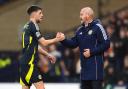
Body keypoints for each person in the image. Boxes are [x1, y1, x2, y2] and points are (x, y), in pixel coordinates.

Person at [57, 7, 110, 89]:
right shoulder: (80, 30)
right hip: (84, 72)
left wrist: (91, 52)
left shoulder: (98, 27)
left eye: (81, 14)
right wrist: (63, 40)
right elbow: (73, 44)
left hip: (95, 72)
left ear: (88, 15)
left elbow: (106, 44)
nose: (80, 17)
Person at [19, 5, 64, 89]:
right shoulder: (34, 25)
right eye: (40, 13)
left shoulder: (26, 26)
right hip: (30, 64)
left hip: (24, 64)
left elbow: (35, 46)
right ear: (34, 14)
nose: (42, 15)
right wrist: (57, 39)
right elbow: (44, 43)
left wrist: (47, 55)